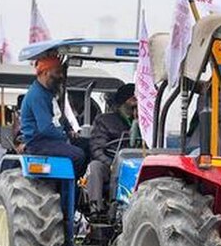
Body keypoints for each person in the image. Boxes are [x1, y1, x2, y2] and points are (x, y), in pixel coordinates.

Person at [21, 54, 87, 175]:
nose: (61, 76)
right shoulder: (37, 95)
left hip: (51, 140)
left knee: (87, 145)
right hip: (39, 144)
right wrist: (65, 136)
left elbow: (58, 116)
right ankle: (73, 189)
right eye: (57, 72)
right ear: (45, 72)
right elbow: (46, 128)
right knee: (78, 155)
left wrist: (70, 131)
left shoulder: (49, 93)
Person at [85, 84, 137, 216]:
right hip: (111, 164)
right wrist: (112, 164)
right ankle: (96, 210)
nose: (136, 104)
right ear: (123, 101)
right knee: (95, 166)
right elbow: (96, 148)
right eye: (133, 99)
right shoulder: (105, 120)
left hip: (136, 165)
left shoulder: (147, 125)